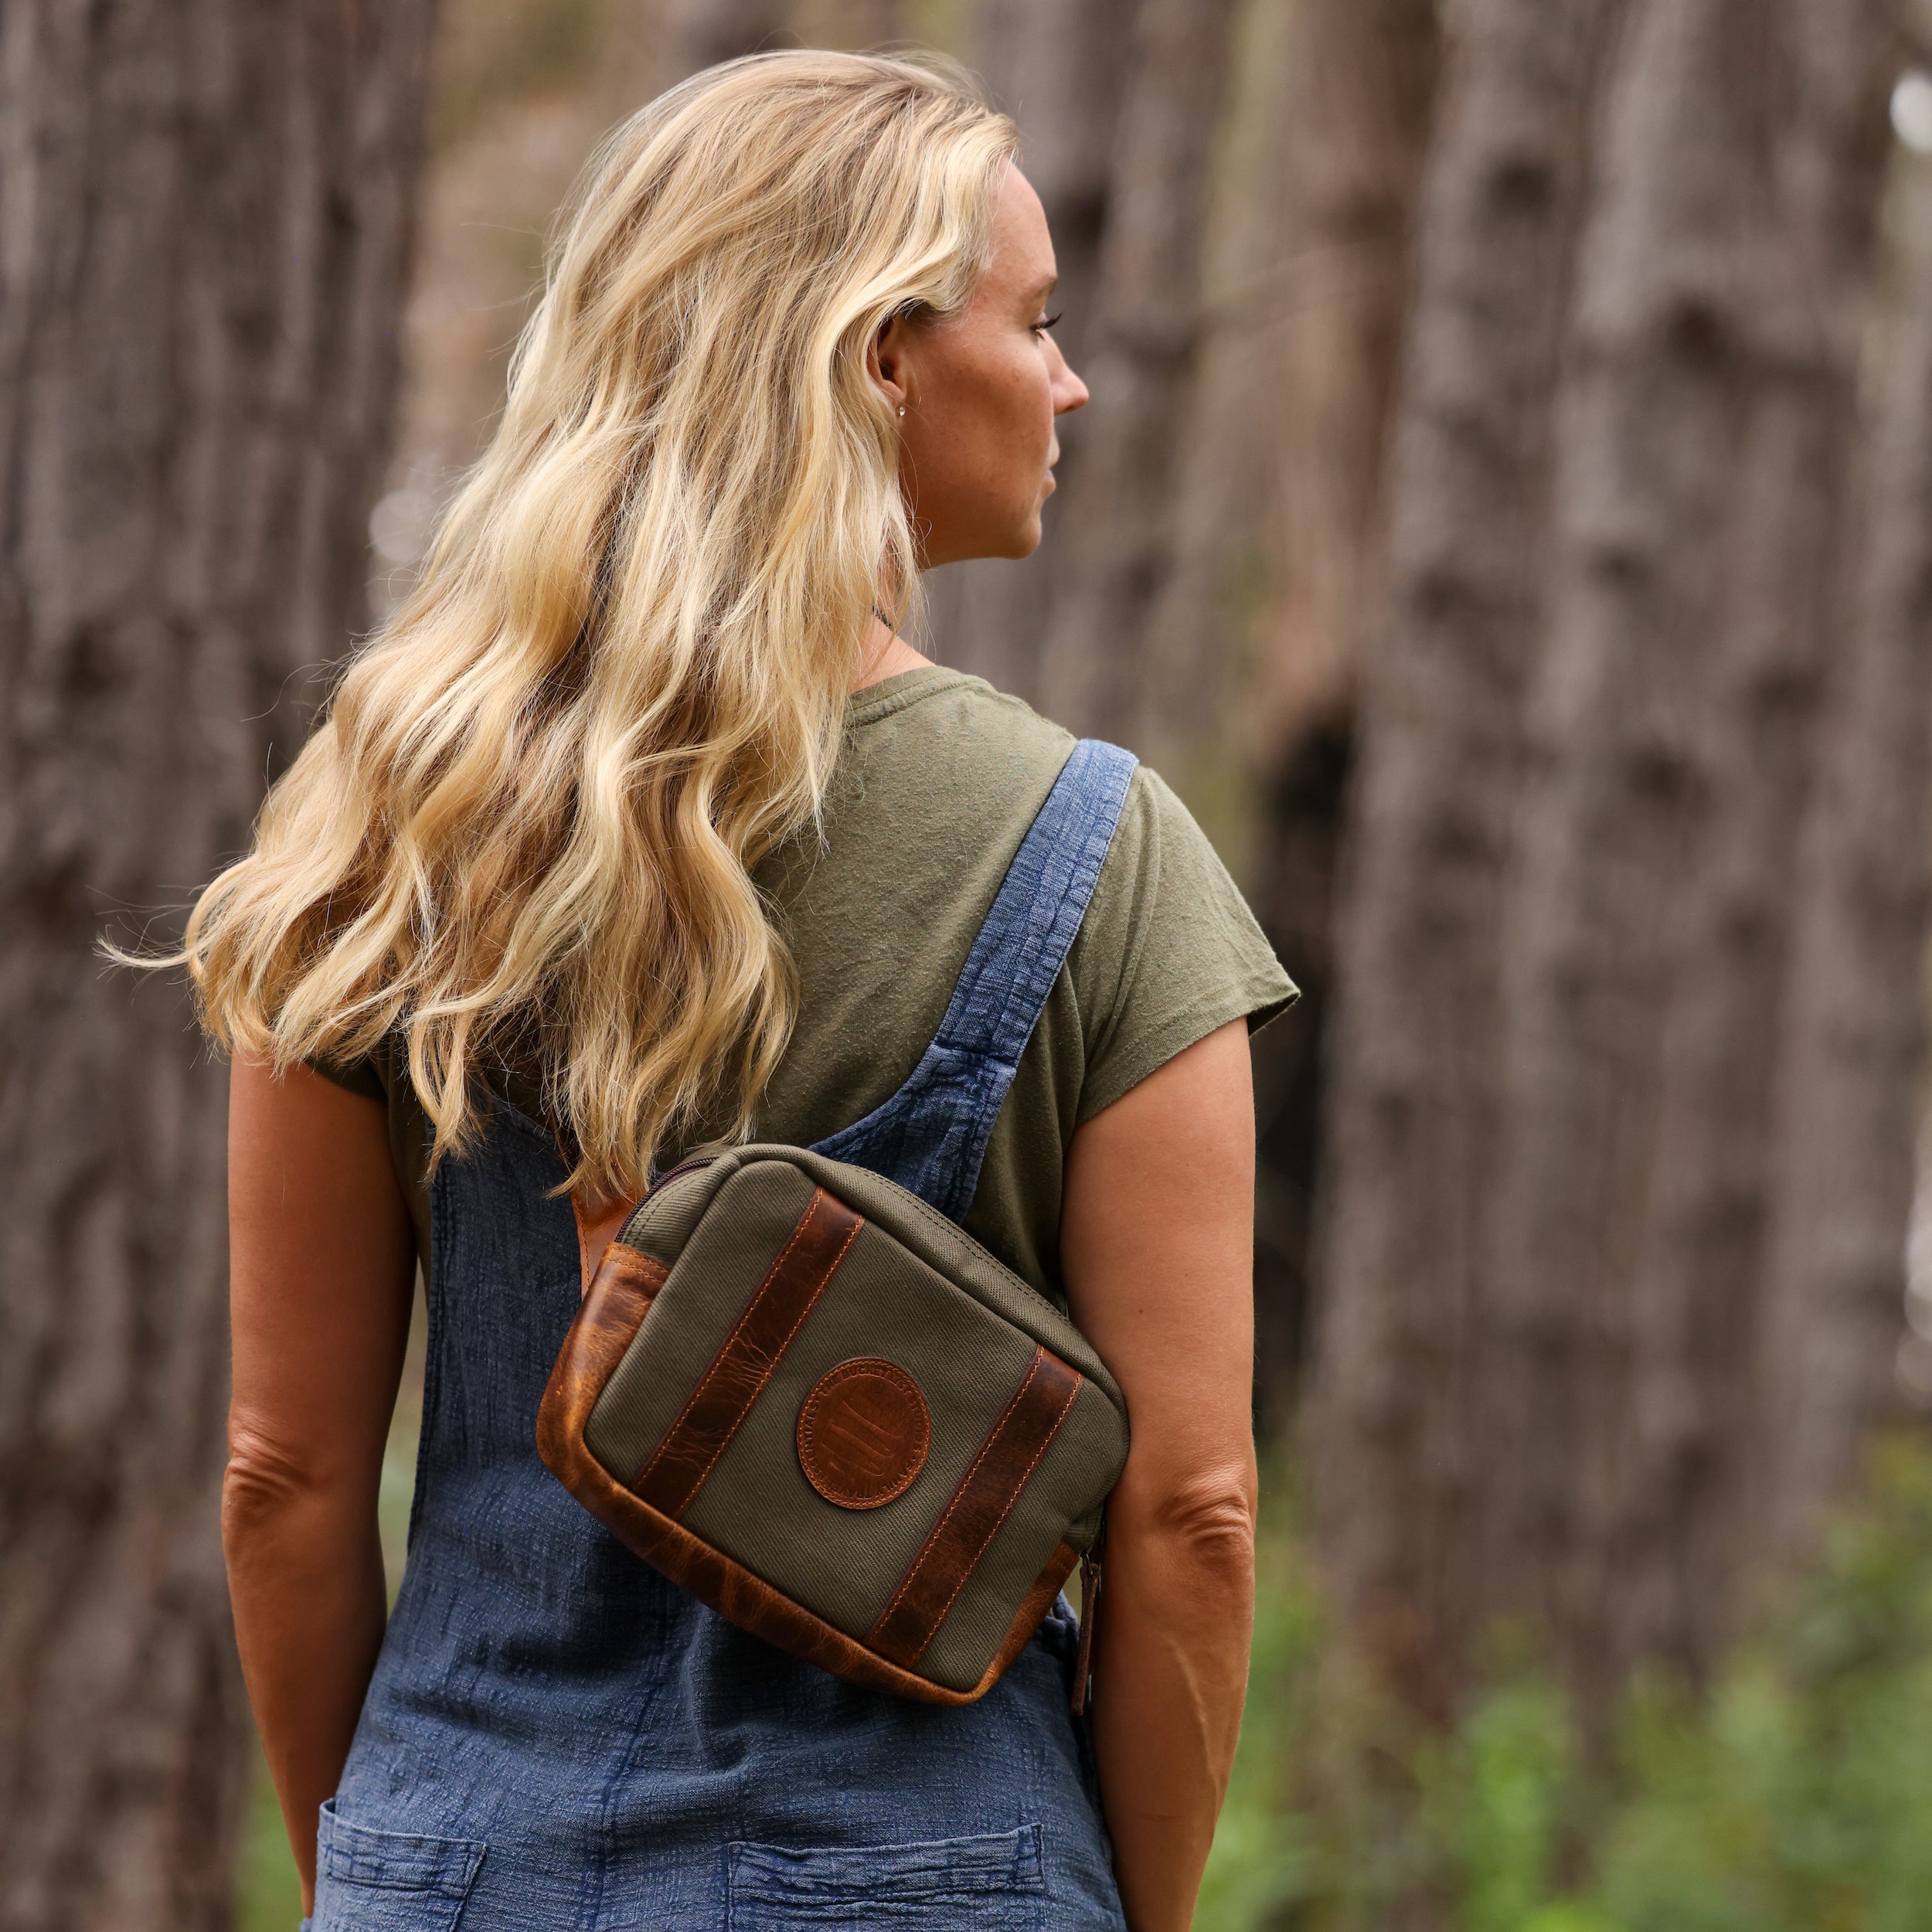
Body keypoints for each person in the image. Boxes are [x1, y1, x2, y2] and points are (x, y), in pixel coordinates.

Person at [193, 49, 1293, 1932]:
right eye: (1031, 324)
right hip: (942, 1869)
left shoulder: (387, 817)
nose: (1067, 381)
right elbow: (1187, 1514)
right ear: (877, 357)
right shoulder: (1099, 851)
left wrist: (394, 1862)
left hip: (461, 1855)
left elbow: (284, 1472)